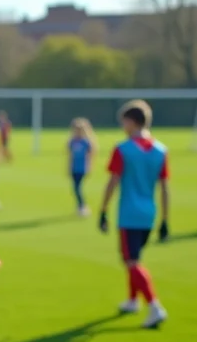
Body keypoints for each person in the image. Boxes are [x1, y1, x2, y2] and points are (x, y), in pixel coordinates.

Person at [98, 100, 169, 329]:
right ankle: (132, 300)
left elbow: (113, 182)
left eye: (123, 121)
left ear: (131, 121)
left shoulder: (123, 149)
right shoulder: (160, 150)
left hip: (129, 213)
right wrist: (166, 219)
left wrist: (103, 210)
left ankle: (154, 306)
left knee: (131, 261)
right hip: (149, 213)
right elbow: (165, 187)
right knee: (135, 258)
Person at [68, 117, 98, 217]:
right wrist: (69, 167)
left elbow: (90, 155)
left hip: (82, 168)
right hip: (74, 168)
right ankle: (80, 205)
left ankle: (82, 205)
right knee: (75, 187)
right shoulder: (72, 141)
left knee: (77, 187)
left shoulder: (86, 142)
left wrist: (89, 167)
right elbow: (71, 156)